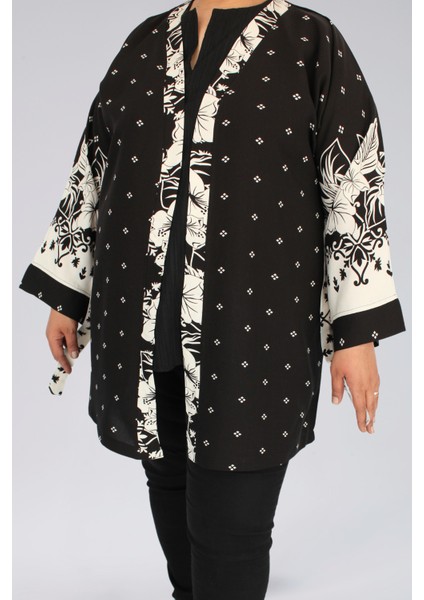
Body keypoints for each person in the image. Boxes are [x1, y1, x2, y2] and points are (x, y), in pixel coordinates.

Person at [19, 0, 406, 598]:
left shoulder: (310, 41)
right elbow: (94, 166)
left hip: (254, 330)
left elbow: (354, 180)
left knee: (233, 534)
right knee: (172, 502)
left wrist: (358, 332)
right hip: (142, 327)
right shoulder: (147, 40)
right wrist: (69, 292)